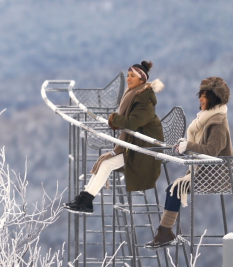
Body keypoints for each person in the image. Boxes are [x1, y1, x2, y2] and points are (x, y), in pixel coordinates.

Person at [65, 60, 165, 214]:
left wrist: (114, 119)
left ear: (141, 80)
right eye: (128, 75)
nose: (128, 78)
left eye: (132, 76)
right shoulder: (134, 94)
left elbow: (132, 123)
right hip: (134, 145)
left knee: (106, 164)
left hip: (144, 150)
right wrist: (115, 121)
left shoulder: (144, 100)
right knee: (105, 163)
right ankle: (84, 199)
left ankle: (86, 201)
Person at [146, 76, 232, 249]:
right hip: (207, 172)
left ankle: (165, 233)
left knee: (175, 189)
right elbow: (202, 148)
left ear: (214, 98)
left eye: (204, 96)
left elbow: (211, 151)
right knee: (173, 188)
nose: (200, 99)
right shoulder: (206, 120)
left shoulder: (218, 123)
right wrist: (185, 146)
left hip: (218, 176)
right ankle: (165, 232)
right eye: (200, 95)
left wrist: (189, 146)